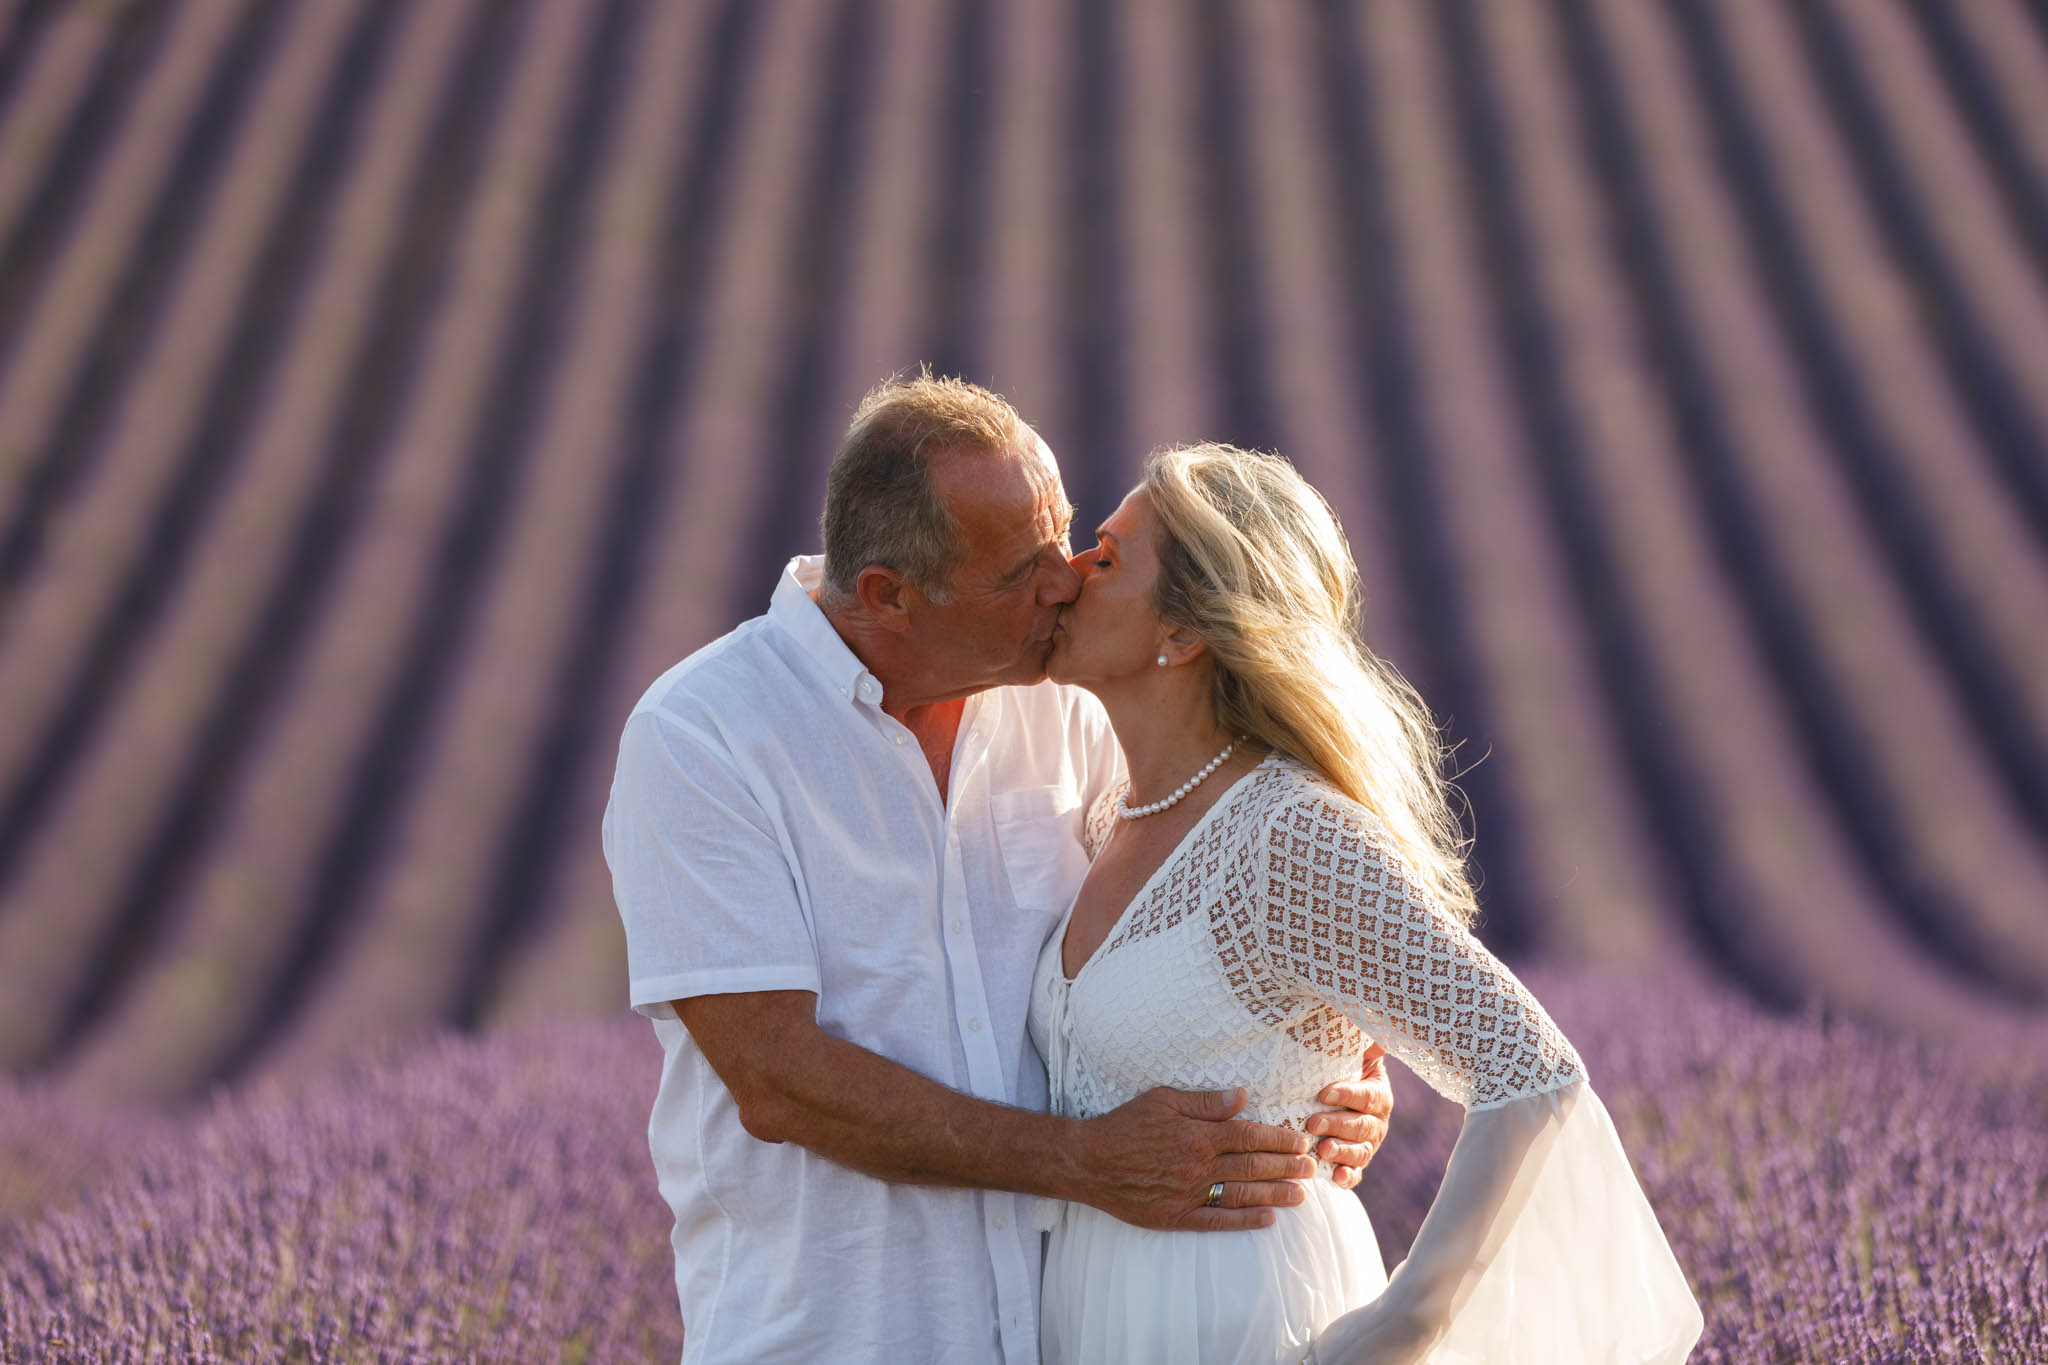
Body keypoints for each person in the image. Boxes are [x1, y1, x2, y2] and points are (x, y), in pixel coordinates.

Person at [601, 375, 1394, 1364]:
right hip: (834, 1335)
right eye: (1021, 570)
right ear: (889, 595)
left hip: (1067, 1331)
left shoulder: (1074, 705)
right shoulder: (704, 737)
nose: (1066, 580)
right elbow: (778, 1078)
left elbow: (1196, 925)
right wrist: (1083, 1163)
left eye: (1063, 535)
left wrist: (1327, 1068)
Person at [1032, 443, 1704, 1363]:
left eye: (1107, 556)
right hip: (1090, 1320)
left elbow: (1529, 1068)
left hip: (1240, 1323)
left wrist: (1402, 1329)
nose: (1069, 572)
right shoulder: (1102, 813)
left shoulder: (1289, 835)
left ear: (1183, 633)